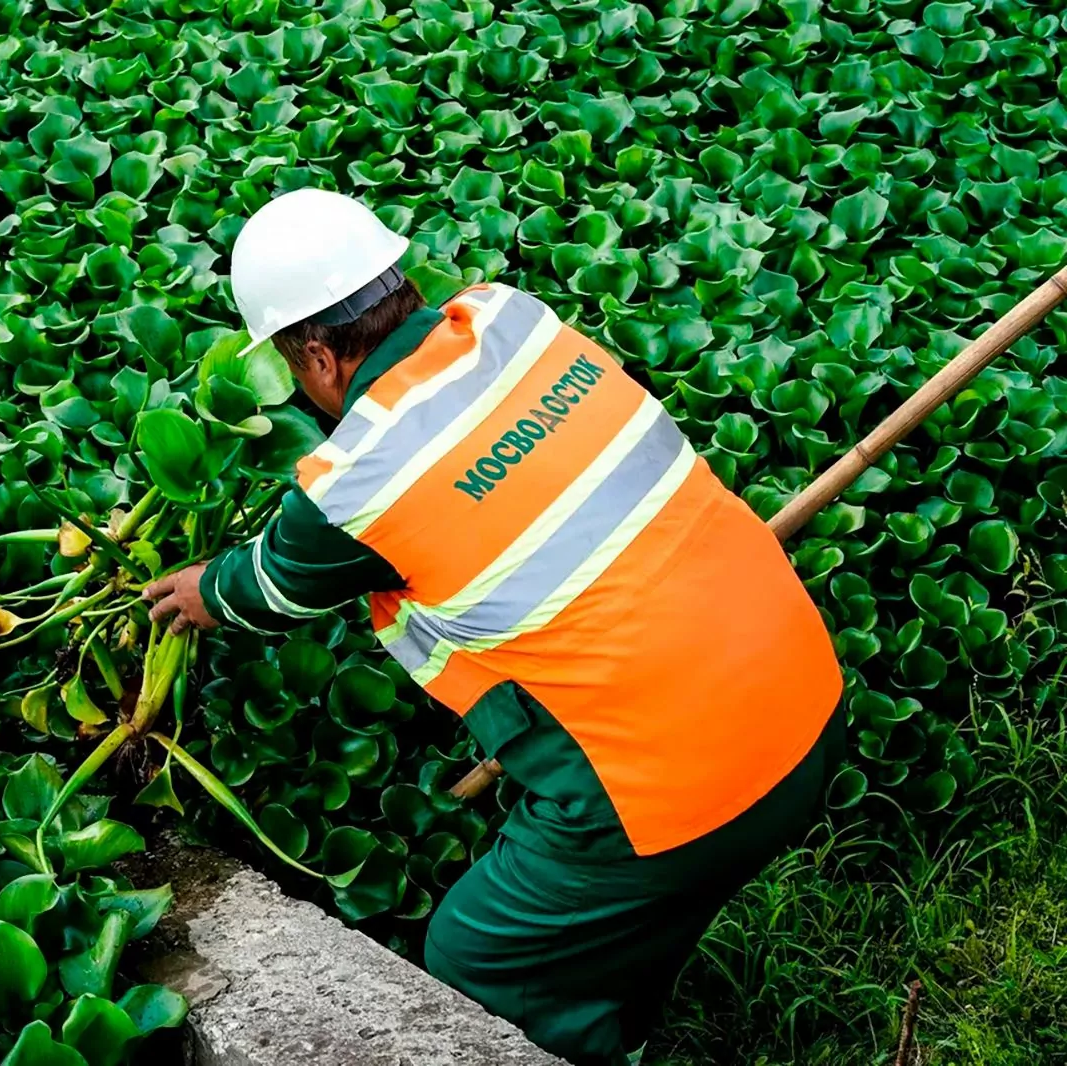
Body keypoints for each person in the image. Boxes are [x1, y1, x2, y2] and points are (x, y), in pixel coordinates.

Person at [142, 188, 845, 1066]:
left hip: (681, 794)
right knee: (612, 923)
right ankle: (620, 1003)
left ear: (317, 356)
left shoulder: (355, 483)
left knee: (481, 958)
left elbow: (271, 586)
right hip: (807, 701)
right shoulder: (517, 320)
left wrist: (201, 589)